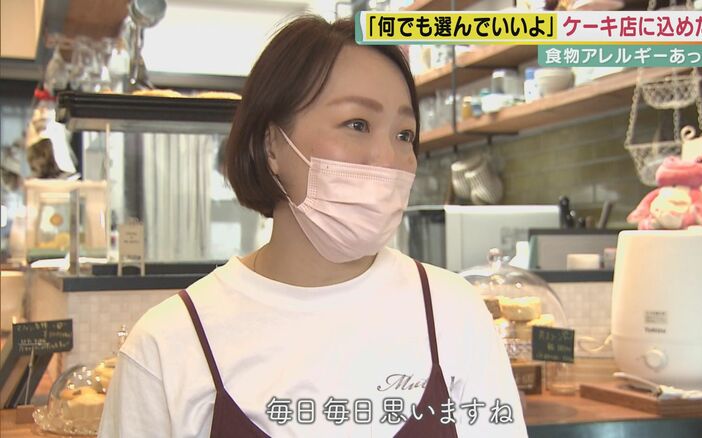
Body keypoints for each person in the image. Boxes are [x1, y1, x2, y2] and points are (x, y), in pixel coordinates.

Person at [98, 15, 528, 438]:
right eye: (357, 125)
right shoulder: (169, 345)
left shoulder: (453, 312)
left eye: (404, 135)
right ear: (272, 145)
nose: (389, 159)